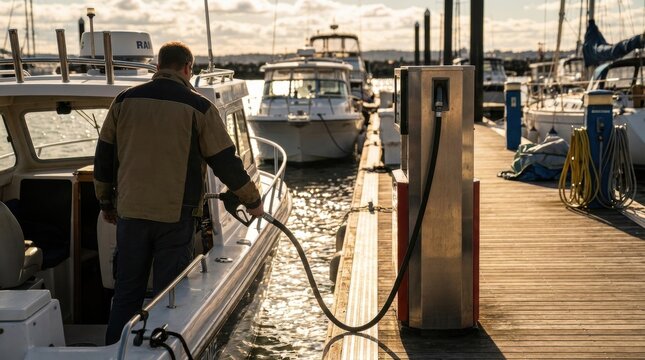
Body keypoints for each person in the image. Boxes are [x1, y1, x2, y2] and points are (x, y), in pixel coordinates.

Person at [94, 41, 264, 345]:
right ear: (188, 68)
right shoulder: (199, 106)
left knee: (127, 292)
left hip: (131, 214)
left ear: (158, 66)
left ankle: (114, 349)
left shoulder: (123, 101)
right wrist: (252, 200)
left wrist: (106, 201)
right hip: (176, 217)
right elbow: (225, 161)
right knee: (167, 296)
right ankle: (160, 348)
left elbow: (104, 157)